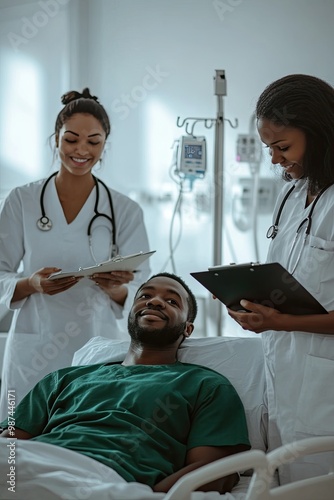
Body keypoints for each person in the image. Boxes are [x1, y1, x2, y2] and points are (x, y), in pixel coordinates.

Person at [0, 273, 250, 498]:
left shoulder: (205, 385)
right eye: (145, 296)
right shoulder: (64, 379)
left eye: (172, 301)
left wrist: (148, 495)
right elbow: (10, 440)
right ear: (130, 313)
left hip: (102, 479)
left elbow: (212, 471)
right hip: (28, 462)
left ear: (188, 328)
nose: (154, 302)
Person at [0, 88, 151, 421]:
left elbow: (144, 287)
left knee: (84, 438)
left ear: (104, 144)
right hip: (33, 344)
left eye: (93, 142)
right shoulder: (21, 201)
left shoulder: (124, 210)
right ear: (56, 138)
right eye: (71, 139)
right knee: (18, 443)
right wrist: (32, 284)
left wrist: (117, 289)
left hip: (96, 343)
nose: (81, 150)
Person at [227, 74, 334, 484]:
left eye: (282, 147)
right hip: (282, 372)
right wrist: (254, 303)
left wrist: (280, 321)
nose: (273, 159)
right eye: (268, 147)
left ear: (321, 135)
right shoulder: (293, 193)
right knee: (283, 480)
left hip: (323, 387)